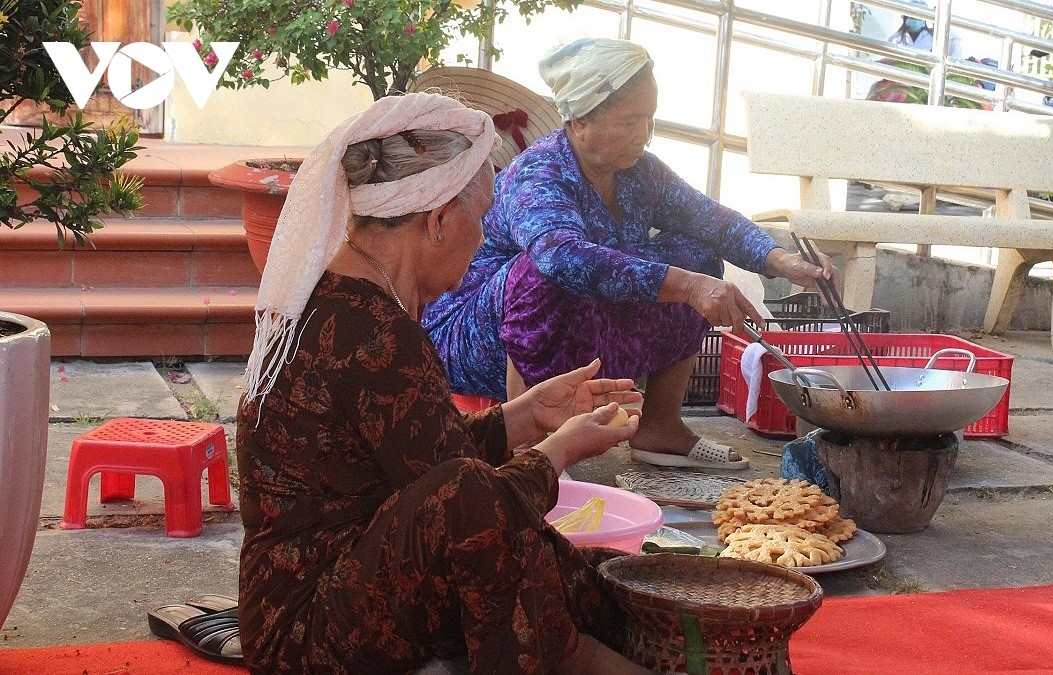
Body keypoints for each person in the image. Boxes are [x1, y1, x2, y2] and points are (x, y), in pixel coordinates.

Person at [235, 92, 654, 674]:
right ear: (436, 222)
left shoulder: (349, 301)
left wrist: (526, 416)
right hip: (307, 633)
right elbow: (462, 497)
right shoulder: (368, 329)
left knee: (564, 564)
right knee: (495, 519)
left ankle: (608, 644)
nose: (483, 241)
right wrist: (558, 451)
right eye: (479, 221)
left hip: (330, 590)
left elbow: (423, 459)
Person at [423, 38, 838, 470]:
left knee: (696, 254)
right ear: (580, 120)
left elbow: (710, 219)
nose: (645, 135)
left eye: (650, 120)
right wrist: (689, 287)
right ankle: (531, 449)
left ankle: (660, 426)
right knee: (544, 272)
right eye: (632, 121)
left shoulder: (640, 172)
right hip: (476, 336)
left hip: (582, 328)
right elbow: (562, 258)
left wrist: (784, 262)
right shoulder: (539, 173)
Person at [887, 0, 962, 59]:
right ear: (906, 16)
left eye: (919, 16)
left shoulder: (934, 38)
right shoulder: (895, 38)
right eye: (913, 16)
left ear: (925, 18)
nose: (916, 19)